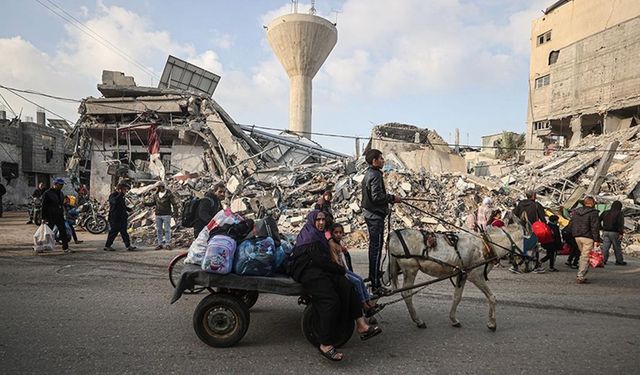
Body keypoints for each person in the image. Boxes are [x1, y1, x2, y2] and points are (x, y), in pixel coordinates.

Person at [289, 210, 382, 361]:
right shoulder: (310, 235)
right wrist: (339, 269)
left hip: (319, 268)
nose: (321, 222)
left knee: (348, 285)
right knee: (330, 301)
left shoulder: (319, 235)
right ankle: (325, 344)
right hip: (306, 271)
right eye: (318, 220)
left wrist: (339, 271)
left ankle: (361, 325)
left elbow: (323, 261)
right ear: (312, 221)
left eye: (323, 220)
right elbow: (319, 261)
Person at [361, 149, 401, 292]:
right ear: (374, 161)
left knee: (374, 248)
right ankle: (376, 283)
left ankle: (374, 274)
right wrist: (391, 198)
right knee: (376, 249)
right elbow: (377, 197)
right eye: (381, 159)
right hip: (374, 216)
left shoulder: (369, 174)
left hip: (371, 214)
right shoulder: (375, 175)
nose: (383, 161)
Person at [329, 223, 381, 318]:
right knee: (356, 282)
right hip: (339, 272)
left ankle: (369, 302)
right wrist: (344, 274)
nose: (338, 234)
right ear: (331, 233)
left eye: (340, 232)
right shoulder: (332, 244)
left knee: (360, 279)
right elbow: (336, 262)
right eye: (336, 232)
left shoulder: (339, 243)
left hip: (344, 269)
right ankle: (364, 306)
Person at [511, 191, 546, 274]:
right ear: (533, 196)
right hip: (533, 229)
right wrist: (545, 226)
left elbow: (514, 214)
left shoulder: (520, 204)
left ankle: (516, 265)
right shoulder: (536, 205)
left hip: (522, 229)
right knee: (534, 247)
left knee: (521, 246)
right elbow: (542, 218)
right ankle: (536, 266)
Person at [571, 196, 601, 284]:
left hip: (577, 236)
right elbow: (595, 227)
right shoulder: (593, 213)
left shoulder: (576, 212)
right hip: (588, 237)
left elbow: (571, 223)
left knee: (582, 255)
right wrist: (597, 239)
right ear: (592, 203)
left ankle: (581, 273)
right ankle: (580, 276)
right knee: (585, 256)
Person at [104, 182, 136, 252]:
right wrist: (120, 194)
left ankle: (128, 246)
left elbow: (122, 206)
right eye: (124, 190)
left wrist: (129, 209)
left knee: (124, 232)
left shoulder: (121, 197)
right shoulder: (112, 196)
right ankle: (107, 246)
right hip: (114, 218)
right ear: (120, 190)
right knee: (113, 232)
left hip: (122, 218)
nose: (125, 191)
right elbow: (114, 202)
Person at [42, 178, 71, 253]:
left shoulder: (61, 193)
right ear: (55, 184)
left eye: (62, 185)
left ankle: (65, 247)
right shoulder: (47, 193)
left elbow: (61, 204)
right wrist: (44, 217)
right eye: (60, 185)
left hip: (59, 215)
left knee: (63, 231)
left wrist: (64, 211)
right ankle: (42, 245)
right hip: (50, 215)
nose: (61, 186)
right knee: (48, 232)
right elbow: (44, 206)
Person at [152, 181, 179, 250]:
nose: (156, 189)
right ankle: (160, 244)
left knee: (167, 230)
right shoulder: (156, 195)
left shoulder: (169, 194)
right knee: (159, 230)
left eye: (158, 187)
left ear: (161, 187)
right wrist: (145, 203)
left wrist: (175, 214)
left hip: (166, 214)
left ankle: (168, 244)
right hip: (158, 214)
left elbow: (174, 204)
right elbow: (153, 203)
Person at [600, 201, 626, 266]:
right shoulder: (619, 213)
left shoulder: (605, 212)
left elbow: (598, 220)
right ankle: (619, 261)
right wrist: (621, 233)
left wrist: (601, 228)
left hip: (605, 232)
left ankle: (603, 260)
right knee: (617, 247)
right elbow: (620, 224)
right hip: (615, 232)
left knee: (605, 247)